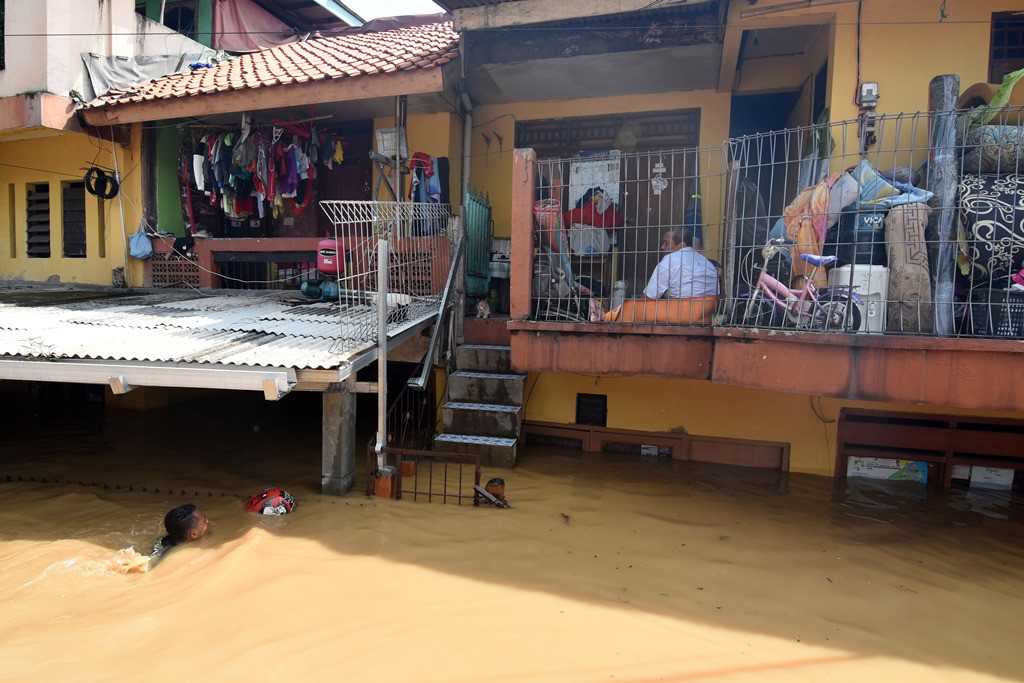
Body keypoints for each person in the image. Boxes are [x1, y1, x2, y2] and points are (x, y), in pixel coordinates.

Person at [643, 227, 720, 299]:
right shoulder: (706, 262)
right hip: (709, 310)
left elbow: (649, 297)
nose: (662, 247)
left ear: (682, 245)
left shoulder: (669, 260)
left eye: (666, 243)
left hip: (681, 310)